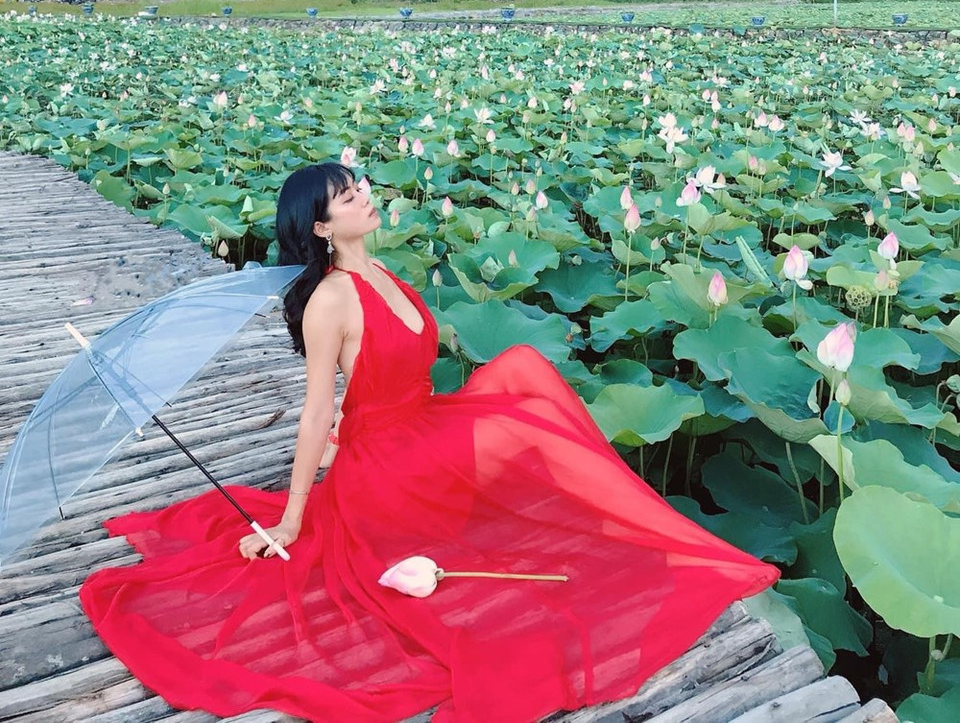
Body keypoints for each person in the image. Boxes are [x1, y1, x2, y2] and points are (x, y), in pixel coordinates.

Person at [81, 161, 778, 723]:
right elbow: (317, 407)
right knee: (521, 396)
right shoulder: (330, 299)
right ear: (321, 226)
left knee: (521, 373)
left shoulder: (383, 272)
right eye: (349, 197)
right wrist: (294, 515)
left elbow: (376, 385)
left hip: (418, 426)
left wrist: (346, 431)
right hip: (384, 468)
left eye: (359, 188)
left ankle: (592, 515)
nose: (365, 198)